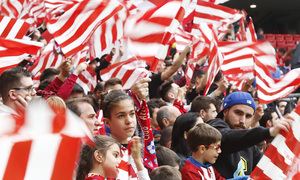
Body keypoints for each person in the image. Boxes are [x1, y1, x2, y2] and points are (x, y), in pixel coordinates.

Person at [206, 91, 292, 178]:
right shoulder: (213, 126)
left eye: (248, 116)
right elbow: (227, 137)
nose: (242, 121)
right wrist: (269, 132)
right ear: (225, 112)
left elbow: (269, 167)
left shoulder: (251, 147)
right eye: (238, 113)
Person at [101, 90, 152, 179]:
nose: (129, 121)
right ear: (107, 122)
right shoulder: (104, 155)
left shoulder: (135, 148)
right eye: (121, 116)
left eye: (132, 114)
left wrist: (138, 162)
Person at [181, 123, 248, 180]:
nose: (219, 151)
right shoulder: (189, 171)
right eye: (217, 147)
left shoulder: (209, 167)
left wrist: (245, 178)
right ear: (202, 149)